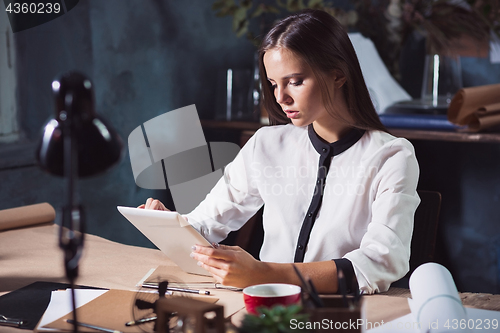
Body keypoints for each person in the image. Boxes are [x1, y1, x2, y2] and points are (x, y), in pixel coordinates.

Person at [140, 9, 420, 294]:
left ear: (338, 75)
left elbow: (382, 261)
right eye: (274, 84)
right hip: (264, 308)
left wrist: (263, 273)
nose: (280, 98)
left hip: (340, 312)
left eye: (295, 81)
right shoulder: (266, 144)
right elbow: (208, 223)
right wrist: (171, 226)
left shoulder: (392, 157)